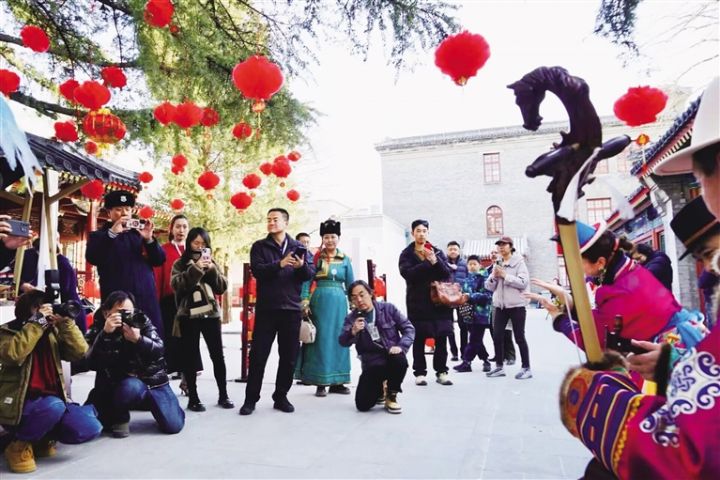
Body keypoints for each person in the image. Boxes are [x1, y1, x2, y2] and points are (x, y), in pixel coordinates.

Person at [540, 222, 705, 359]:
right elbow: (601, 320)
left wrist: (559, 319)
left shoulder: (620, 290)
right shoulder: (628, 272)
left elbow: (595, 341)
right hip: (675, 341)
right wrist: (569, 304)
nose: (577, 269)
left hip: (674, 351)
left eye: (578, 262)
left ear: (600, 262)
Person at [0, 290, 102, 473]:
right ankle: (18, 446)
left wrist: (66, 324)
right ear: (28, 309)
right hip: (19, 406)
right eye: (40, 308)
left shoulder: (52, 332)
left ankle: (40, 438)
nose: (46, 312)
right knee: (53, 405)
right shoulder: (7, 331)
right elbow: (13, 355)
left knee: (89, 426)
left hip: (52, 403)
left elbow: (80, 352)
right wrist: (37, 323)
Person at [239, 208, 315, 415]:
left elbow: (309, 274)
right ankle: (250, 399)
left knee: (289, 357)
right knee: (258, 356)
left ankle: (281, 396)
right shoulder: (259, 246)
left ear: (286, 223)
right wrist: (279, 264)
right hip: (267, 309)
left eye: (275, 219)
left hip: (291, 310)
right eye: (268, 219)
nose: (271, 223)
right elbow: (258, 271)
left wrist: (300, 267)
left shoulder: (299, 247)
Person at [84, 291, 184, 437]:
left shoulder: (141, 320)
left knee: (174, 425)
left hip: (152, 382)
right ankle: (120, 416)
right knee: (128, 390)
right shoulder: (99, 326)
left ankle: (160, 404)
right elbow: (89, 362)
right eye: (120, 312)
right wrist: (105, 334)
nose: (126, 316)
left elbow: (160, 350)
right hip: (119, 386)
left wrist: (139, 340)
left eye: (129, 312)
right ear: (106, 313)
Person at [86, 190, 166, 337]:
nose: (124, 213)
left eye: (128, 209)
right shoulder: (99, 236)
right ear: (109, 212)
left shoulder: (139, 234)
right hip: (118, 302)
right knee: (119, 339)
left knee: (150, 339)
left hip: (146, 299)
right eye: (118, 209)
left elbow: (159, 260)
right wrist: (112, 234)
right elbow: (92, 257)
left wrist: (149, 240)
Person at [171, 227, 233, 411]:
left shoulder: (212, 262)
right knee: (190, 357)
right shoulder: (180, 263)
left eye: (203, 244)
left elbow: (222, 287)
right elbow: (177, 286)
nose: (199, 247)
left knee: (217, 356)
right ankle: (193, 398)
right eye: (196, 243)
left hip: (211, 315)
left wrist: (211, 269)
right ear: (189, 243)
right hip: (188, 315)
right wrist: (196, 268)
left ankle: (223, 395)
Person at [296, 219, 354, 397]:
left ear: (339, 238)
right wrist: (304, 301)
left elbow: (351, 284)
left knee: (340, 339)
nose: (330, 240)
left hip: (339, 305)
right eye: (326, 237)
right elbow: (307, 281)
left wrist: (355, 304)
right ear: (322, 239)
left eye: (333, 237)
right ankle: (320, 381)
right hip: (319, 303)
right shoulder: (315, 258)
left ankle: (338, 382)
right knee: (320, 341)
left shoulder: (345, 259)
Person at [338, 280, 415, 413]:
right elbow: (342, 341)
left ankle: (391, 394)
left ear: (371, 294)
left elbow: (409, 329)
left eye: (362, 295)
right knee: (363, 405)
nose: (359, 300)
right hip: (372, 363)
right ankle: (380, 389)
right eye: (354, 298)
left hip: (391, 356)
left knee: (399, 359)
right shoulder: (352, 318)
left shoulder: (388, 309)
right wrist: (352, 332)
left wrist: (401, 347)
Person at [398, 219, 454, 386]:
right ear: (413, 233)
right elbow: (408, 274)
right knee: (419, 338)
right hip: (418, 302)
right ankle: (420, 373)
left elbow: (446, 274)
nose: (421, 234)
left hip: (439, 301)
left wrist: (436, 261)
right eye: (418, 231)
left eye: (424, 231)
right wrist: (426, 263)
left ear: (428, 232)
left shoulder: (437, 251)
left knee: (441, 337)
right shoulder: (406, 254)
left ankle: (442, 372)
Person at [484, 236, 532, 379]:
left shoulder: (519, 263)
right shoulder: (497, 263)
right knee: (497, 336)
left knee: (519, 337)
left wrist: (505, 276)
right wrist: (494, 276)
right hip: (500, 306)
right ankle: (499, 367)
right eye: (499, 245)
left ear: (511, 247)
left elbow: (523, 283)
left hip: (517, 306)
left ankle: (526, 368)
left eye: (504, 244)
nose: (501, 247)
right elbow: (489, 287)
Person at [153, 214, 194, 377]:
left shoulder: (195, 250)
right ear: (171, 229)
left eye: (184, 227)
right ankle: (171, 368)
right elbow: (158, 277)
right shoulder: (163, 250)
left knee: (190, 338)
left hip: (191, 301)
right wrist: (156, 301)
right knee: (171, 336)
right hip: (170, 300)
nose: (181, 230)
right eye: (178, 226)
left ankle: (187, 371)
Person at [20, 238, 87, 333]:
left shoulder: (63, 263)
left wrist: (39, 291)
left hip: (66, 305)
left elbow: (64, 288)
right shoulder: (33, 257)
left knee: (68, 333)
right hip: (50, 305)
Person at [453, 255, 493, 373]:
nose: (472, 266)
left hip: (481, 314)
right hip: (468, 313)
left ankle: (466, 362)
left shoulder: (485, 278)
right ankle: (485, 360)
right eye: (470, 264)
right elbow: (464, 294)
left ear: (480, 265)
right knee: (477, 339)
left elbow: (488, 296)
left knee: (474, 339)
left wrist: (470, 296)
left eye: (474, 264)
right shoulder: (467, 278)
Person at [487, 249, 516, 365]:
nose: (494, 254)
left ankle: (510, 356)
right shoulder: (488, 270)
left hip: (505, 303)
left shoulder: (508, 268)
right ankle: (499, 354)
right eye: (492, 252)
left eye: (496, 252)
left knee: (507, 330)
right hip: (491, 303)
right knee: (494, 331)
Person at [445, 240, 468, 361]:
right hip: (447, 299)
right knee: (449, 327)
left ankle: (464, 352)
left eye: (455, 249)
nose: (453, 251)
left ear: (459, 251)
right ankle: (454, 352)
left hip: (462, 299)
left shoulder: (465, 264)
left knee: (464, 326)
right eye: (451, 249)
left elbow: (469, 279)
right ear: (447, 251)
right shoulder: (443, 263)